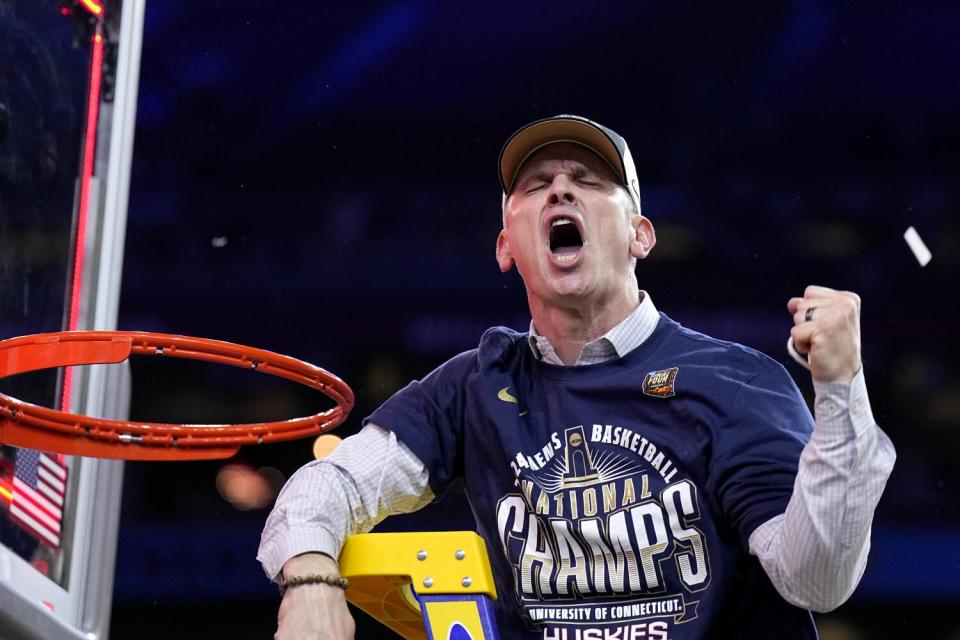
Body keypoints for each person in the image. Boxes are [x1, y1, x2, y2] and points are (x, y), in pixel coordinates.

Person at [259, 115, 896, 639]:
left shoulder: (736, 384)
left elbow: (815, 582)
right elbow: (330, 484)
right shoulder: (473, 387)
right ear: (507, 246)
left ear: (640, 236)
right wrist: (310, 582)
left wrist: (841, 392)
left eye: (587, 180)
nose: (560, 190)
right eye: (535, 186)